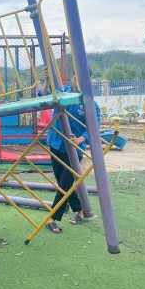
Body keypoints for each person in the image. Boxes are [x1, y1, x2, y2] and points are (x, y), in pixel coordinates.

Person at [38, 66, 101, 233]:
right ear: (72, 78)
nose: (77, 81)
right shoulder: (61, 92)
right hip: (55, 142)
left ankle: (52, 218)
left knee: (65, 183)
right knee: (62, 183)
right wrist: (47, 80)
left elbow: (94, 126)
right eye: (75, 78)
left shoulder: (89, 103)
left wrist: (81, 139)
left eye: (82, 79)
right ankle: (80, 209)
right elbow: (43, 95)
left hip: (73, 149)